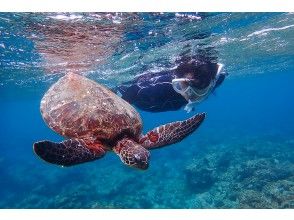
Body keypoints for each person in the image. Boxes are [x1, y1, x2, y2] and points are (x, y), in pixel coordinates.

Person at [116, 54, 227, 113]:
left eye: (200, 85)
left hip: (173, 105)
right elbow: (134, 90)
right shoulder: (163, 86)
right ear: (178, 80)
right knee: (120, 89)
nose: (192, 93)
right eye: (185, 84)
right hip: (146, 102)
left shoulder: (216, 78)